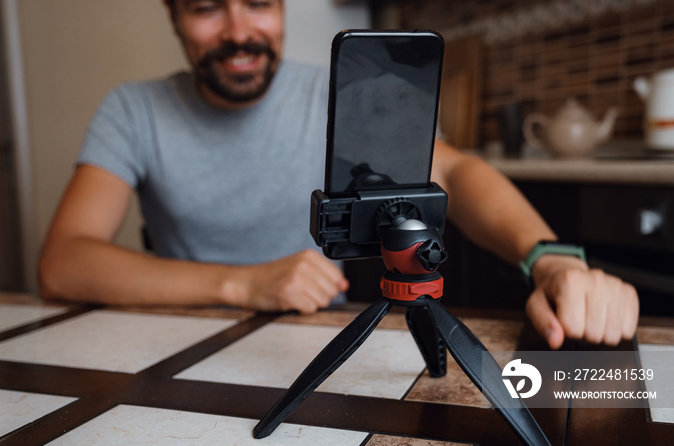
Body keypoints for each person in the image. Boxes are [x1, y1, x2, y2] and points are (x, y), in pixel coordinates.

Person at [38, 0, 638, 350]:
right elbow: (64, 263)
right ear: (172, 17)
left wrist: (551, 258)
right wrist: (244, 285)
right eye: (205, 7)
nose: (238, 30)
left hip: (324, 341)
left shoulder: (341, 91)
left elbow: (457, 172)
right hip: (185, 344)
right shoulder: (134, 109)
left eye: (258, 3)